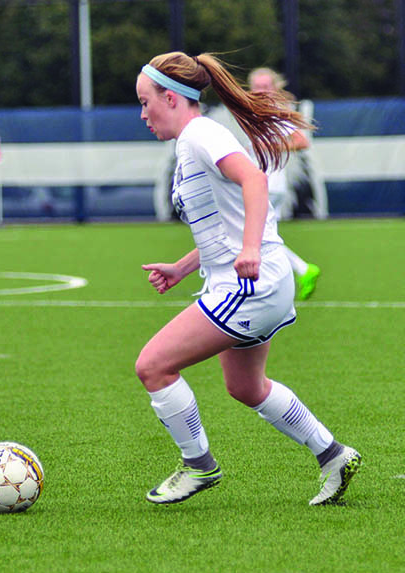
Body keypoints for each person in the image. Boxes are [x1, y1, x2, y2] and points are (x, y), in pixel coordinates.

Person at [134, 52, 361, 506]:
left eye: (146, 102)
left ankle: (198, 466)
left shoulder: (200, 134)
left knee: (153, 366)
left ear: (173, 98)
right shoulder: (192, 141)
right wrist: (182, 267)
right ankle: (334, 455)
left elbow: (254, 181)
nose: (142, 114)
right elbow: (225, 224)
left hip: (250, 284)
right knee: (245, 387)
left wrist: (251, 249)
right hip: (257, 282)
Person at [248, 67, 320, 300]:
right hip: (263, 182)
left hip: (269, 184)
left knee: (254, 236)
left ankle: (299, 270)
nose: (261, 91)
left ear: (275, 87)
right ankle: (290, 274)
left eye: (266, 86)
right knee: (261, 237)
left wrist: (273, 147)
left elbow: (301, 141)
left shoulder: (276, 111)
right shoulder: (258, 111)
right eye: (257, 87)